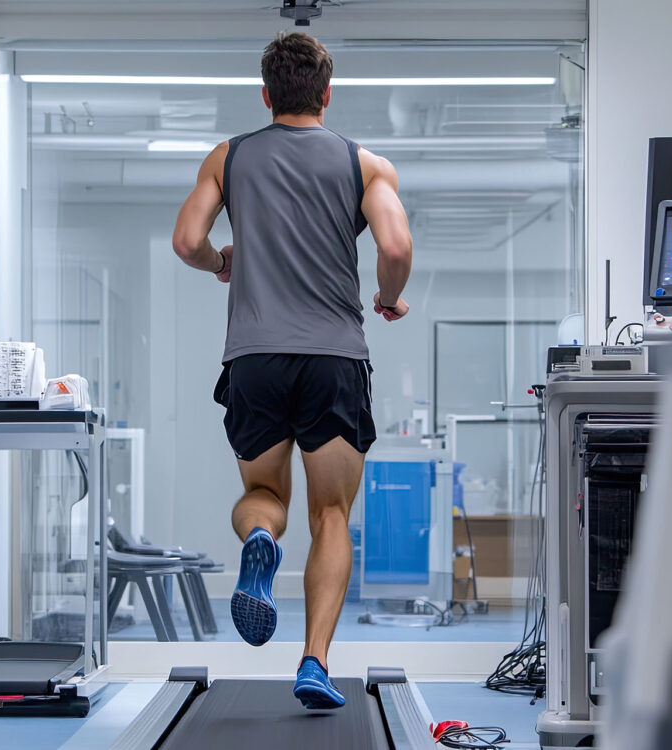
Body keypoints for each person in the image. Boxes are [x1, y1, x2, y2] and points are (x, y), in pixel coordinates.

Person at [171, 31, 412, 710]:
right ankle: (314, 662)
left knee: (265, 497)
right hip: (334, 357)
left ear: (267, 95)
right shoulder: (365, 164)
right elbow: (394, 243)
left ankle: (257, 540)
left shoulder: (231, 155)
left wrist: (223, 261)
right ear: (327, 96)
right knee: (331, 512)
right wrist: (388, 297)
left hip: (254, 359)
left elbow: (187, 240)